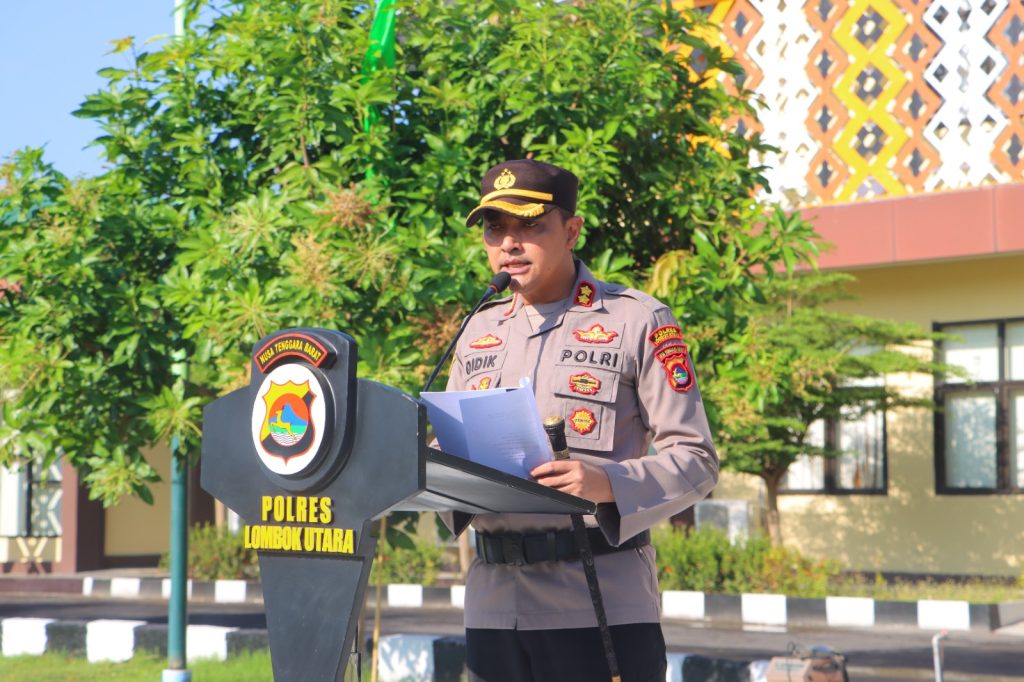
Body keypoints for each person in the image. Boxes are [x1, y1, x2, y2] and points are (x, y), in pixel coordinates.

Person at [445, 159, 719, 682]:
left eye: (529, 225)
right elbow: (454, 450)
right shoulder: (477, 331)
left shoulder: (636, 320)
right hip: (493, 607)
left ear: (571, 231)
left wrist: (607, 483)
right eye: (495, 228)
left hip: (598, 605)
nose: (509, 243)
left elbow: (697, 460)